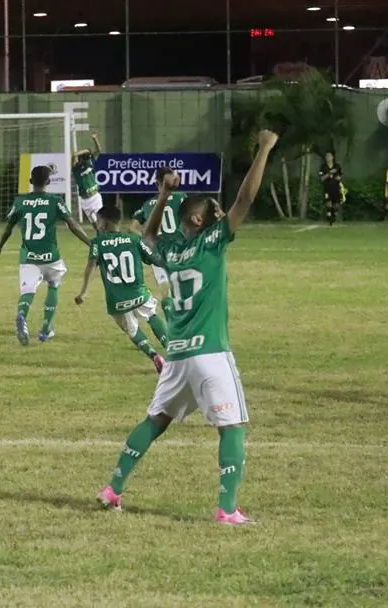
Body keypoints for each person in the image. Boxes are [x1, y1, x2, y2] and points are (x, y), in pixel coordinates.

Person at [96, 129, 279, 525]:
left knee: (155, 421)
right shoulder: (211, 240)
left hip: (177, 354)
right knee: (232, 427)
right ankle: (227, 510)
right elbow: (245, 199)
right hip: (210, 352)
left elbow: (147, 233)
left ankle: (112, 489)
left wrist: (162, 194)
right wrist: (264, 148)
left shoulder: (169, 250)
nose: (221, 212)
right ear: (199, 219)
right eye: (214, 209)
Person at [0, 164, 91, 345]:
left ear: (30, 181)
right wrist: (90, 243)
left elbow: (8, 228)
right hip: (50, 257)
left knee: (28, 291)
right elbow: (73, 225)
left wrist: (0, 247)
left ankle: (22, 315)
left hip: (29, 257)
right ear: (48, 182)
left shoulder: (20, 202)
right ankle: (46, 329)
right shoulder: (55, 201)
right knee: (53, 285)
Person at [75, 205, 167, 374]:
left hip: (116, 300)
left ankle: (154, 355)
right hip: (139, 294)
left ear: (105, 223)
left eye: (99, 220)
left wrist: (83, 292)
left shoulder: (98, 243)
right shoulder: (133, 239)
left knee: (132, 330)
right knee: (152, 315)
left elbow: (90, 266)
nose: (98, 223)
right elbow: (154, 259)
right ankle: (175, 353)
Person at [131, 184, 187, 318]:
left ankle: (170, 321)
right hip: (179, 247)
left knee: (165, 288)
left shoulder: (148, 204)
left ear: (157, 184)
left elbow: (132, 227)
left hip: (158, 249)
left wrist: (147, 239)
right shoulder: (181, 197)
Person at [72, 133, 103, 227]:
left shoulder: (90, 161)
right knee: (95, 225)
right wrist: (85, 150)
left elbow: (99, 150)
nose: (89, 157)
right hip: (85, 200)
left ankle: (105, 238)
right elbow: (74, 155)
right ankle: (99, 238)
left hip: (95, 197)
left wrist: (95, 139)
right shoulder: (76, 168)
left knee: (101, 221)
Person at [319, 151, 344, 227]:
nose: (328, 158)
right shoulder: (323, 167)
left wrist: (338, 178)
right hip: (327, 188)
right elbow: (322, 179)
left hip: (336, 188)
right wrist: (329, 173)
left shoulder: (337, 166)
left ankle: (333, 215)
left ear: (332, 157)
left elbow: (341, 175)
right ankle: (329, 219)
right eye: (327, 156)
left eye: (329, 156)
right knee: (328, 204)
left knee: (336, 205)